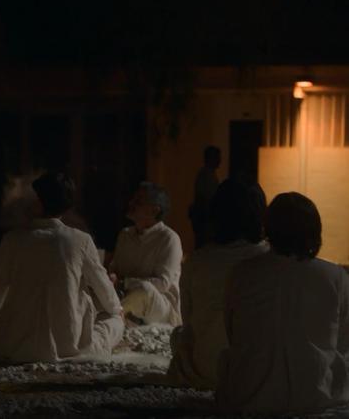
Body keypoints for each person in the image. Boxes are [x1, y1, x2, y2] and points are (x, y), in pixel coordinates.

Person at [217, 192, 349, 414]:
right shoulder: (335, 276)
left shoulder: (242, 273)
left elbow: (232, 332)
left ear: (267, 228)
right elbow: (344, 341)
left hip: (247, 393)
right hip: (317, 394)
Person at [0, 172, 123, 364]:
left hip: (14, 343)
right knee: (115, 321)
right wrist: (116, 309)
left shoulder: (11, 239)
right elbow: (104, 289)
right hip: (66, 344)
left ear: (40, 203)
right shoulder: (80, 240)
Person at [168, 179, 269, 389]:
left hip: (205, 369)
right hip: (258, 373)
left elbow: (188, 320)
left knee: (179, 335)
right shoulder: (270, 259)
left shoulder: (197, 261)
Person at [109, 182, 182, 326]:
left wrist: (125, 283)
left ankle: (113, 318)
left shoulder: (169, 238)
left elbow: (162, 284)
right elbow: (115, 270)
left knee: (145, 290)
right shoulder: (125, 235)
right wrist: (111, 278)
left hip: (161, 310)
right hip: (126, 300)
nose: (131, 203)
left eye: (138, 201)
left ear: (154, 211)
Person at [189, 146, 221, 249]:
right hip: (206, 221)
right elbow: (205, 198)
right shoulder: (206, 176)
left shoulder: (209, 175)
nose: (220, 160)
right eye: (217, 157)